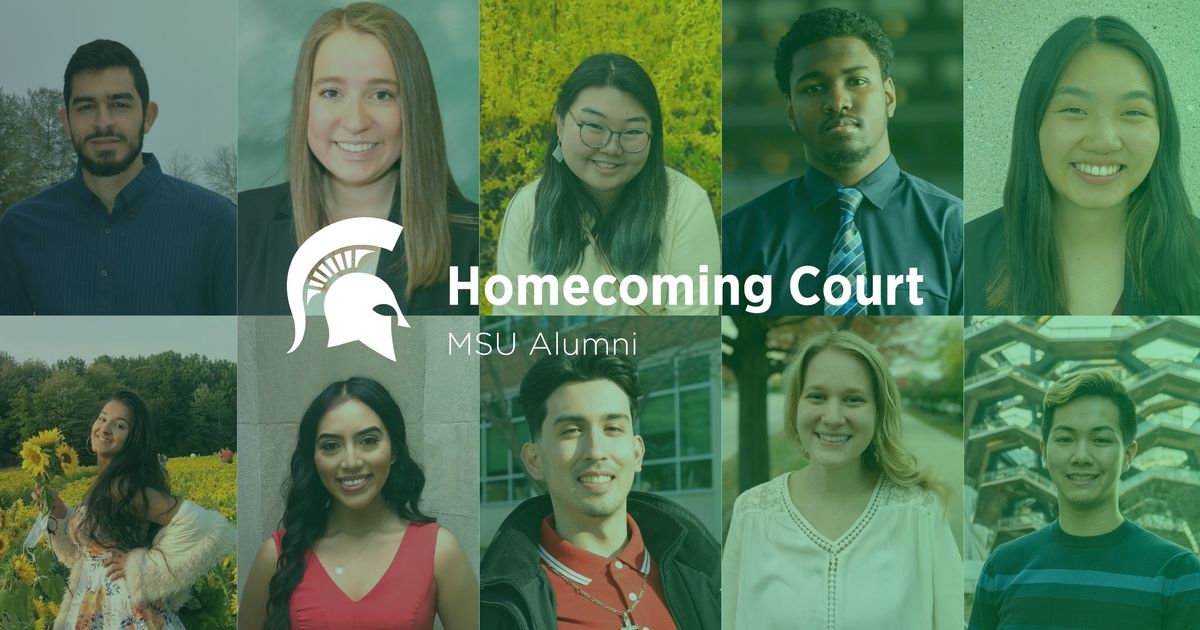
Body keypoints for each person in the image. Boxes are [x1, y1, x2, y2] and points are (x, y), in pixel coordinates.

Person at [238, 2, 478, 316]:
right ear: (304, 103)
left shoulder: (474, 243)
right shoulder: (239, 225)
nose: (355, 121)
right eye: (331, 93)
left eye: (381, 95)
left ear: (414, 109)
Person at [722, 8, 962, 316]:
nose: (837, 101)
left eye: (857, 81)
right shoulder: (740, 238)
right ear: (791, 112)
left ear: (889, 97)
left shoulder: (953, 230)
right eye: (813, 88)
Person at [723, 331, 961, 628]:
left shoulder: (921, 513)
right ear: (797, 405)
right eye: (817, 397)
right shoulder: (752, 512)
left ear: (878, 412)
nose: (833, 416)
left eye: (853, 399)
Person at [966, 16, 1200, 315]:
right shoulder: (959, 258)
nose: (1104, 140)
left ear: (1162, 130)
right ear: (1033, 124)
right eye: (1074, 109)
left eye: (1132, 112)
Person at [479, 342, 720, 629]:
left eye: (612, 428)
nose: (595, 450)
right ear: (534, 460)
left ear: (637, 452)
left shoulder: (707, 578)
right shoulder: (497, 608)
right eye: (571, 430)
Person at [0, 39, 236, 315]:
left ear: (148, 117)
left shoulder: (219, 224)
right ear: (66, 121)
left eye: (120, 105)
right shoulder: (19, 229)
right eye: (86, 107)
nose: (103, 122)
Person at [239, 377, 478, 630]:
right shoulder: (277, 555)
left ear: (394, 449)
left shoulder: (440, 552)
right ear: (314, 457)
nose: (351, 462)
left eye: (368, 441)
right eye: (331, 446)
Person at [969, 369, 1200, 629]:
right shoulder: (1003, 568)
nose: (1081, 456)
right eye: (1065, 439)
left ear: (1128, 455)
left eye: (1101, 440)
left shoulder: (1177, 574)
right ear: (1044, 451)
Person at [494, 53, 720, 316]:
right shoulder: (527, 207)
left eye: (633, 132)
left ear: (653, 135)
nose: (612, 148)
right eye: (593, 126)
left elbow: (695, 320)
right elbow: (515, 318)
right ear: (560, 121)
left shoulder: (685, 204)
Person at [36, 391, 235, 628]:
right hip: (94, 604)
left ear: (134, 439)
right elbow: (91, 552)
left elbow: (204, 524)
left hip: (122, 609)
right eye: (102, 419)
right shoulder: (105, 482)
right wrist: (59, 513)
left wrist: (142, 565)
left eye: (119, 425)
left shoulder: (122, 487)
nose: (105, 428)